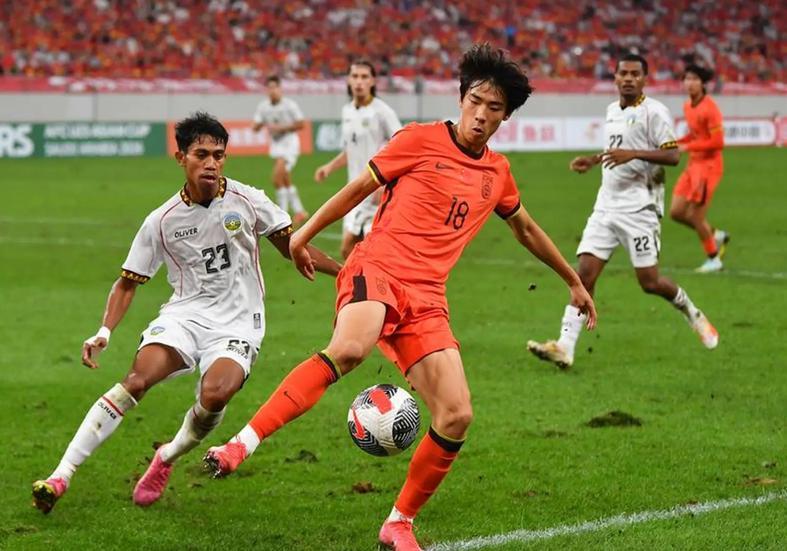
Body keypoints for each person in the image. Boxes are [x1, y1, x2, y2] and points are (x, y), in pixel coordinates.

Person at [203, 44, 596, 551]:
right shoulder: (418, 139)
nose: (481, 114)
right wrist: (302, 235)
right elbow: (356, 190)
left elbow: (525, 228)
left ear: (506, 116)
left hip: (427, 297)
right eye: (475, 101)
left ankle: (398, 523)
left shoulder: (497, 173)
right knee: (350, 349)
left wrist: (572, 280)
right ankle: (240, 444)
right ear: (461, 99)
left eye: (494, 108)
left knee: (456, 414)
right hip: (378, 268)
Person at [31, 112, 340, 514]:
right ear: (181, 158)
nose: (211, 163)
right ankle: (61, 475)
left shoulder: (247, 200)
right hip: (185, 317)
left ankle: (166, 456)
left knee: (215, 394)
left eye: (218, 155)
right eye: (201, 154)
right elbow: (127, 282)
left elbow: (293, 244)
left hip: (239, 323)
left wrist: (345, 271)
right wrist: (104, 331)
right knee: (136, 380)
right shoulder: (161, 221)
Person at [527, 54, 719, 371]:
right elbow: (616, 149)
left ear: (644, 79)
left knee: (650, 282)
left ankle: (691, 311)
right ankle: (564, 346)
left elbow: (673, 156)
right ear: (615, 78)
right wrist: (594, 160)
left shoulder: (655, 112)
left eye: (635, 74)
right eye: (623, 73)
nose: (629, 79)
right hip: (606, 205)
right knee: (584, 274)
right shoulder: (612, 110)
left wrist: (634, 154)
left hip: (640, 208)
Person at [314, 60, 402, 259]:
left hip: (374, 190)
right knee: (351, 253)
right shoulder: (347, 111)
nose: (359, 81)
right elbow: (350, 150)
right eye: (355, 76)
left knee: (361, 251)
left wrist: (384, 181)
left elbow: (402, 146)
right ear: (348, 80)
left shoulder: (382, 112)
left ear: (372, 81)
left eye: (364, 77)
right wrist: (329, 167)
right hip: (353, 190)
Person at [670, 64, 728, 273]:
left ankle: (714, 259)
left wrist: (687, 147)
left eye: (694, 79)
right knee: (676, 212)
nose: (690, 83)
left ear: (703, 83)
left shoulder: (710, 108)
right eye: (687, 79)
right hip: (693, 164)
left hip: (709, 167)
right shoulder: (688, 106)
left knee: (695, 216)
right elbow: (695, 135)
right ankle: (715, 234)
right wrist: (675, 143)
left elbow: (718, 142)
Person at [253, 75, 309, 225]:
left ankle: (281, 214)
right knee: (285, 179)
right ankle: (300, 211)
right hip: (276, 145)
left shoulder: (289, 105)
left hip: (290, 144)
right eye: (270, 88)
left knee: (276, 179)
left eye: (275, 87)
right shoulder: (263, 107)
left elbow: (301, 123)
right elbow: (256, 126)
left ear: (280, 89)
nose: (272, 91)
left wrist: (281, 128)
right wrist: (258, 125)